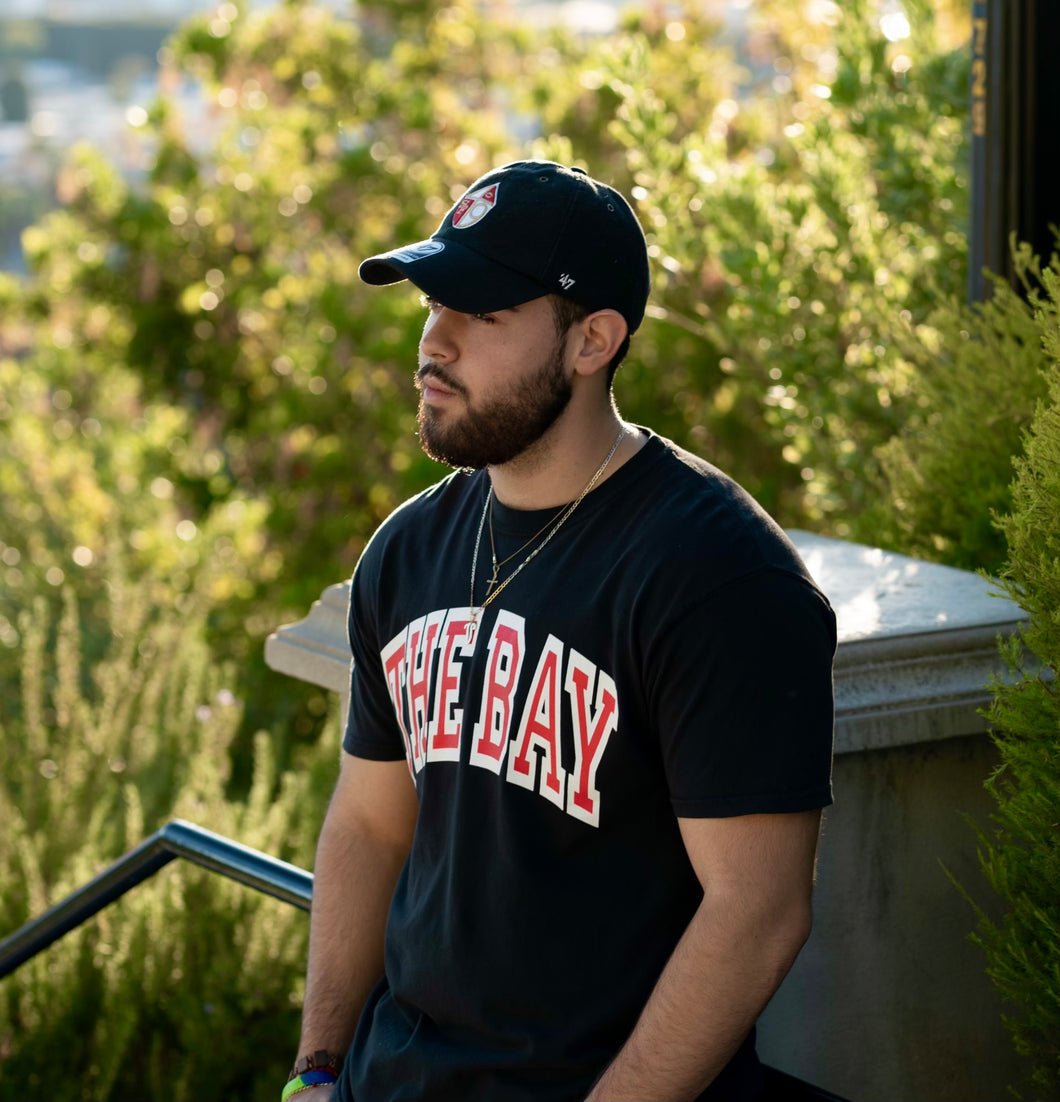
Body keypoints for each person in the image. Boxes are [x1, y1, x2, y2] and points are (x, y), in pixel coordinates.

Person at [283, 161, 836, 1102]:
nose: (435, 343)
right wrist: (318, 1069)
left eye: (484, 313)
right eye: (432, 304)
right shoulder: (408, 550)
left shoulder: (716, 577)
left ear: (593, 341)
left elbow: (759, 911)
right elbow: (371, 826)